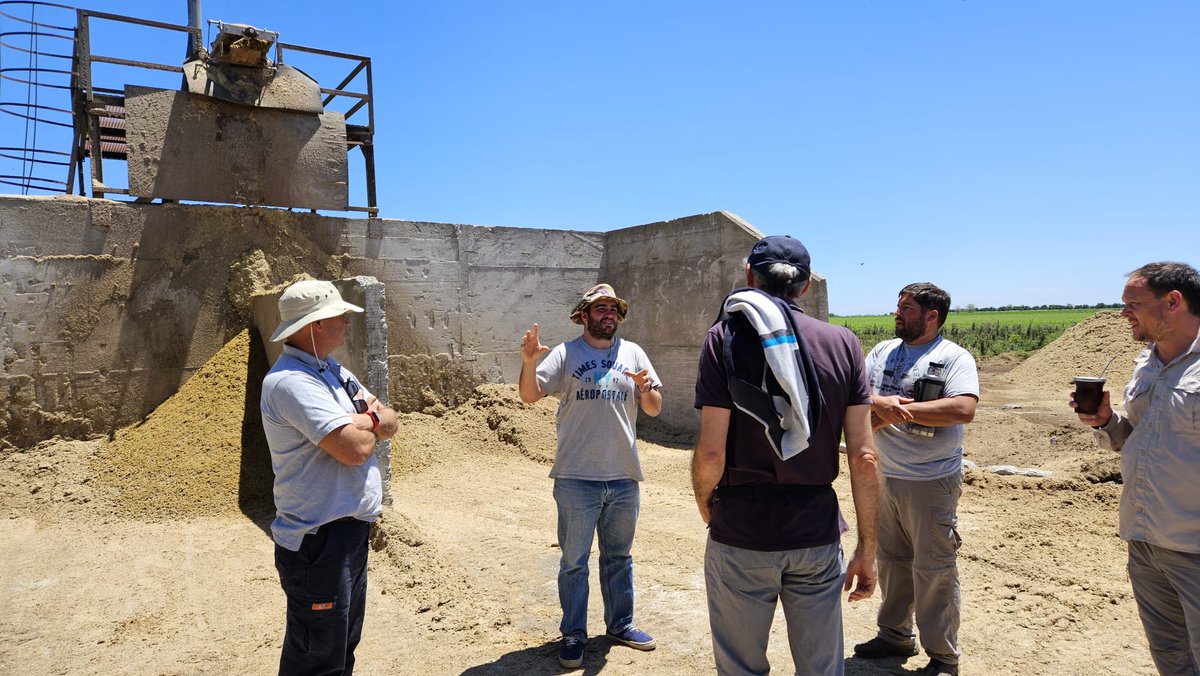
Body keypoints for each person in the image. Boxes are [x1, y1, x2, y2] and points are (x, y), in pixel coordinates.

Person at [692, 235, 881, 676]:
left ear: (749, 277)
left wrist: (706, 501)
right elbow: (864, 457)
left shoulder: (723, 338)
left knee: (741, 667)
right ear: (806, 286)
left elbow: (711, 450)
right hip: (815, 529)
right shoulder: (844, 344)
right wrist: (867, 549)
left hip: (742, 527)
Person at [518, 283, 664, 669]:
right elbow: (530, 396)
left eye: (613, 308)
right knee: (574, 562)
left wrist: (646, 388)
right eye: (600, 308)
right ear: (583, 315)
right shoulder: (566, 354)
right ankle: (573, 634)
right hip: (576, 477)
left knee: (619, 558)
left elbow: (652, 408)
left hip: (623, 476)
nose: (608, 314)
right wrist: (530, 361)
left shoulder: (633, 352)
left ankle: (620, 625)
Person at [260, 279, 399, 676]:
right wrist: (369, 421)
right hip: (317, 542)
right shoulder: (292, 383)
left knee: (342, 648)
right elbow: (355, 450)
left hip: (348, 534)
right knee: (316, 659)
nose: (347, 324)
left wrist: (365, 422)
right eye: (340, 316)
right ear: (315, 325)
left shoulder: (332, 370)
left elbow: (390, 419)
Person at [1073, 262, 1200, 676]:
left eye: (1133, 304)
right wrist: (1108, 423)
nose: (1124, 313)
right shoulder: (1145, 363)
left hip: (1194, 546)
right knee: (1170, 658)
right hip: (1144, 538)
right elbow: (1141, 440)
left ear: (1173, 302)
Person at [852, 282, 978, 676]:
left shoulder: (954, 358)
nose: (897, 312)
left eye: (906, 308)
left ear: (931, 316)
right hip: (883, 476)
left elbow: (961, 409)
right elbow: (856, 396)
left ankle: (943, 656)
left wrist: (898, 412)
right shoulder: (882, 351)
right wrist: (882, 404)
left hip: (931, 480)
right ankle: (895, 635)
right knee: (891, 560)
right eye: (898, 305)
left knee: (934, 567)